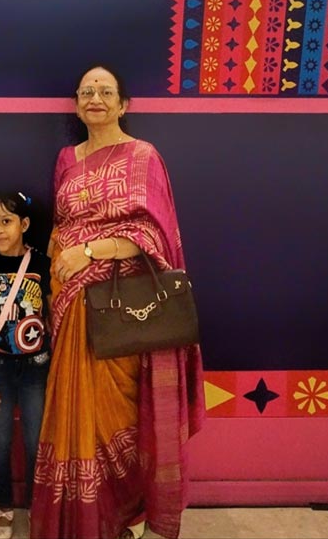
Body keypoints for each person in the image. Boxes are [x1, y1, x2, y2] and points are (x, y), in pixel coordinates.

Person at [31, 65, 204, 539]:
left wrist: (88, 251)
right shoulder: (67, 158)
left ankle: (133, 514)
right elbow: (59, 227)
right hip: (70, 304)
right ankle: (88, 521)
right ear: (76, 102)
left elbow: (153, 234)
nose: (96, 98)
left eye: (106, 91)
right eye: (87, 91)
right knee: (76, 413)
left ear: (124, 104)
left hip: (122, 307)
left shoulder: (143, 156)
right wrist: (55, 275)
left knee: (123, 413)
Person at [0, 192, 52, 539]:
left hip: (36, 367)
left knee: (36, 442)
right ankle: (3, 506)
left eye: (6, 222)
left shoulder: (41, 264)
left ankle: (36, 506)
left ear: (24, 225)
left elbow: (53, 316)